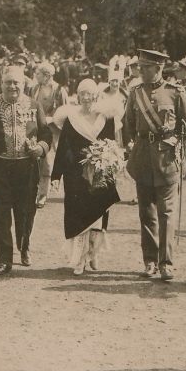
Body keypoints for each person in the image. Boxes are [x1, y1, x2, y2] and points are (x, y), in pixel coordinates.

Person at [0, 62, 52, 275]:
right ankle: (4, 259)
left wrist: (41, 148)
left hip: (27, 167)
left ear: (24, 83)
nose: (12, 86)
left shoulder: (34, 105)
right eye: (8, 83)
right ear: (1, 84)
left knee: (26, 212)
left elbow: (46, 134)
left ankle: (24, 247)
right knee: (1, 213)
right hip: (0, 167)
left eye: (16, 82)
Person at [121, 49, 186, 281]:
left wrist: (177, 143)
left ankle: (166, 263)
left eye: (145, 67)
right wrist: (136, 144)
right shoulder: (135, 93)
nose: (140, 71)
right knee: (146, 213)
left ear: (158, 68)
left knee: (166, 213)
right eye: (139, 67)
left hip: (167, 159)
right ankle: (150, 261)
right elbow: (128, 125)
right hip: (142, 159)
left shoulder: (175, 92)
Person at [50, 79, 123, 275]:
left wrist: (110, 163)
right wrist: (56, 175)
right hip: (75, 175)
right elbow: (62, 149)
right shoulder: (71, 119)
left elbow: (112, 145)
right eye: (82, 94)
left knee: (98, 214)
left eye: (89, 94)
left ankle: (93, 252)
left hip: (100, 173)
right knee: (79, 215)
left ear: (96, 96)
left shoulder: (106, 119)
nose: (86, 98)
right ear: (78, 96)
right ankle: (80, 258)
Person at [27, 61, 69, 208]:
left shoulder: (59, 91)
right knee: (34, 158)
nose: (36, 76)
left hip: (53, 130)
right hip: (36, 129)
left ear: (46, 76)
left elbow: (65, 111)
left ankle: (43, 194)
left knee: (47, 161)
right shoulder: (34, 89)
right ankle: (34, 190)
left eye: (38, 73)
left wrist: (52, 119)